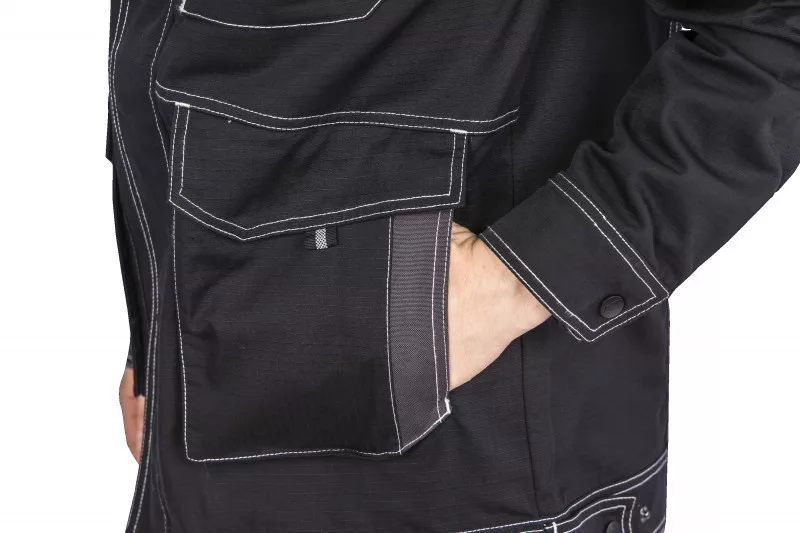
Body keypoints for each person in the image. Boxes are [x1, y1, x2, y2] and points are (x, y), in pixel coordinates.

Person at [109, 1, 799, 531]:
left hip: (471, 465)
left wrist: (524, 276)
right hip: (208, 414)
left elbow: (777, 30)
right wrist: (157, 334)